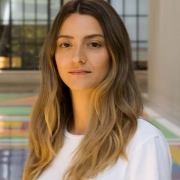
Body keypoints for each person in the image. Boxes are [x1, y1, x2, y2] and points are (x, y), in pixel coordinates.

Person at [22, 0, 172, 180]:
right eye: (66, 44)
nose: (77, 58)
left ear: (115, 54)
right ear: (53, 55)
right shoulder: (47, 135)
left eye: (93, 44)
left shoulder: (142, 142)